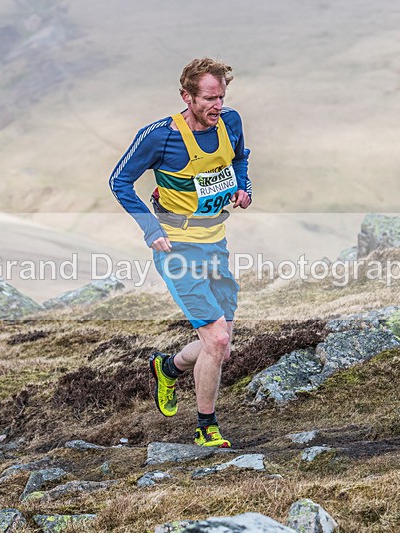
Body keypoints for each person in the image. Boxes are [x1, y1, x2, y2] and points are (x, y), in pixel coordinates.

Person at [109, 58, 252, 448]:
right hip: (178, 247)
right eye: (209, 98)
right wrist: (150, 228)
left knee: (221, 345)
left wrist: (244, 187)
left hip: (215, 243)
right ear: (186, 96)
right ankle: (206, 427)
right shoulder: (160, 136)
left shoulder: (231, 122)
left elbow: (239, 158)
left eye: (221, 96)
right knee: (217, 341)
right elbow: (119, 181)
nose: (217, 105)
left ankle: (167, 367)